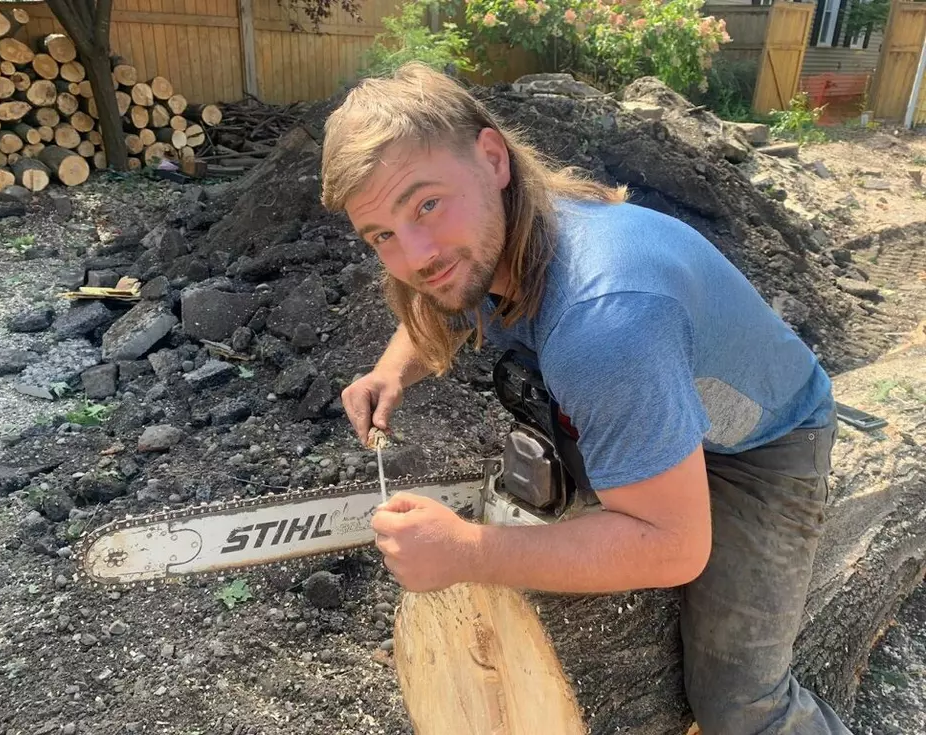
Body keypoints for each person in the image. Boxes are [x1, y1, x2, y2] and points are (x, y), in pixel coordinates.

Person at [319, 62, 850, 735]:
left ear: (491, 158)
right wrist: (390, 371)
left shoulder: (602, 317)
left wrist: (467, 551)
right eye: (382, 236)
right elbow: (444, 294)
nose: (416, 253)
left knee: (741, 705)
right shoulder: (498, 233)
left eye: (426, 204)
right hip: (657, 394)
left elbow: (675, 546)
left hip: (760, 446)